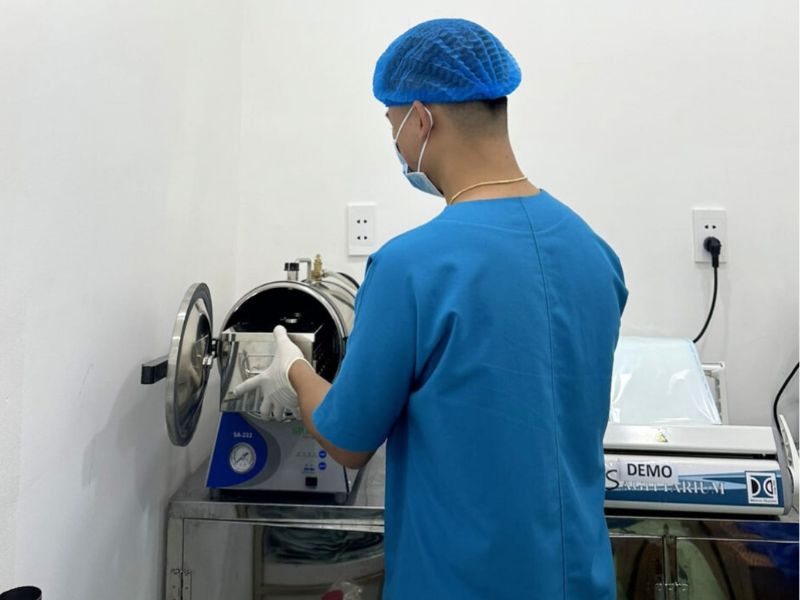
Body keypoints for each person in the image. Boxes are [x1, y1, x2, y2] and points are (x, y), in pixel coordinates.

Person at [236, 18, 628, 599]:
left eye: (393, 125)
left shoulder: (411, 266)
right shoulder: (595, 253)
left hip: (459, 581)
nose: (397, 143)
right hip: (582, 580)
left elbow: (347, 438)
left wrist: (292, 370)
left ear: (422, 118)